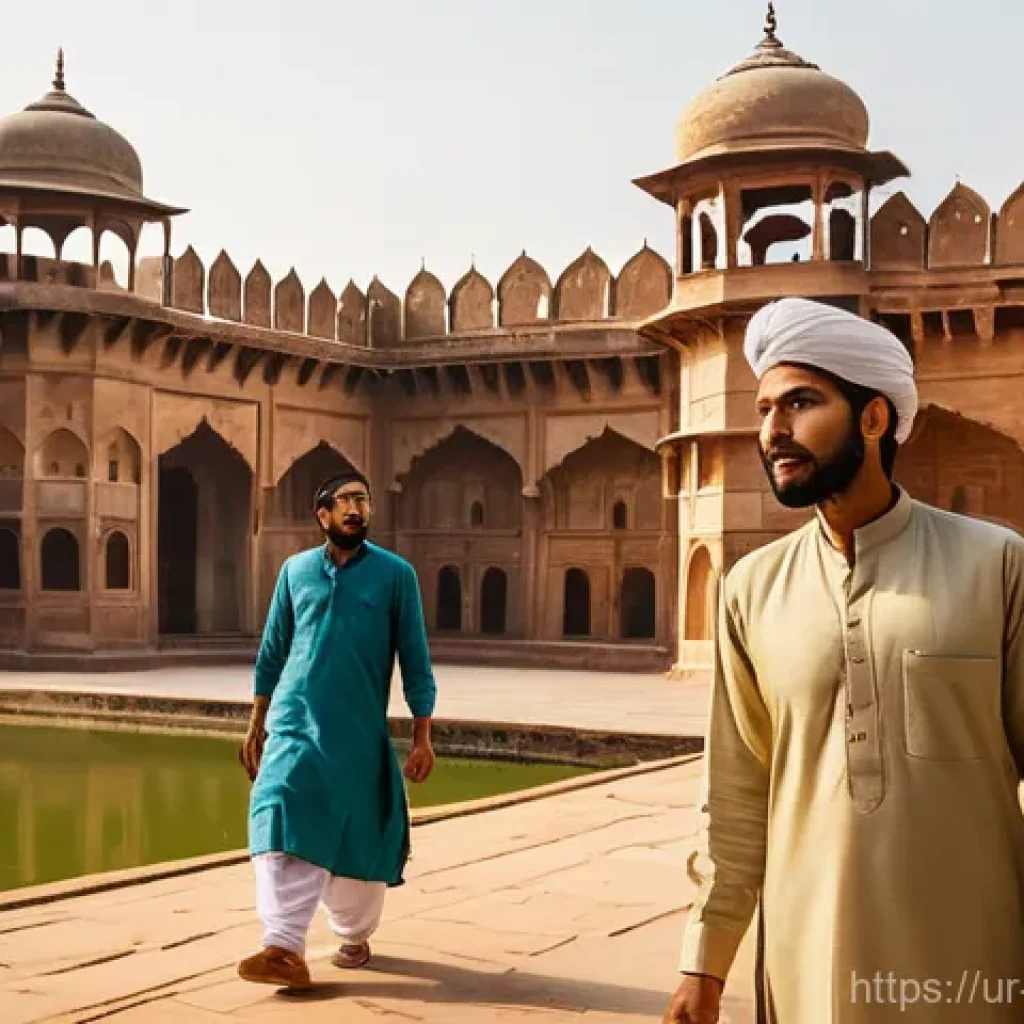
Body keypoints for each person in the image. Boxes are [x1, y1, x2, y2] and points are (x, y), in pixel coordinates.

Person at [663, 297, 1024, 1024]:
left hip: (971, 965)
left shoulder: (997, 566)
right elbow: (734, 795)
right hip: (805, 967)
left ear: (874, 417)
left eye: (800, 402)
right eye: (765, 408)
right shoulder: (751, 590)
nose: (773, 431)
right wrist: (704, 963)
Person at [236, 470, 438, 990]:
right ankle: (282, 944)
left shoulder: (396, 576)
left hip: (355, 730)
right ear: (322, 514)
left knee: (356, 842)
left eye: (364, 501)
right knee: (276, 806)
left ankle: (353, 933)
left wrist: (422, 736)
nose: (357, 509)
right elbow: (273, 649)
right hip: (291, 722)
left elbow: (415, 659)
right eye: (346, 501)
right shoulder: (294, 571)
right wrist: (257, 721)